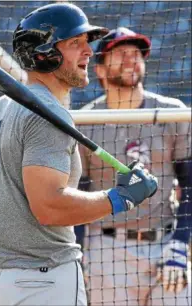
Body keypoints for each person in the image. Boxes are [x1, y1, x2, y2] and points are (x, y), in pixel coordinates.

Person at [0, 4, 158, 306]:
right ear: (45, 53)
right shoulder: (48, 114)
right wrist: (119, 197)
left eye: (88, 43)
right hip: (42, 281)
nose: (88, 51)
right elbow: (49, 207)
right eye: (76, 43)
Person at [79, 27, 191, 306]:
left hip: (165, 244)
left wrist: (181, 241)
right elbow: (78, 194)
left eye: (136, 53)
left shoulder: (172, 112)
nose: (131, 59)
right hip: (107, 249)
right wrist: (78, 253)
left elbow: (190, 184)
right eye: (120, 53)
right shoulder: (84, 122)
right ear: (101, 70)